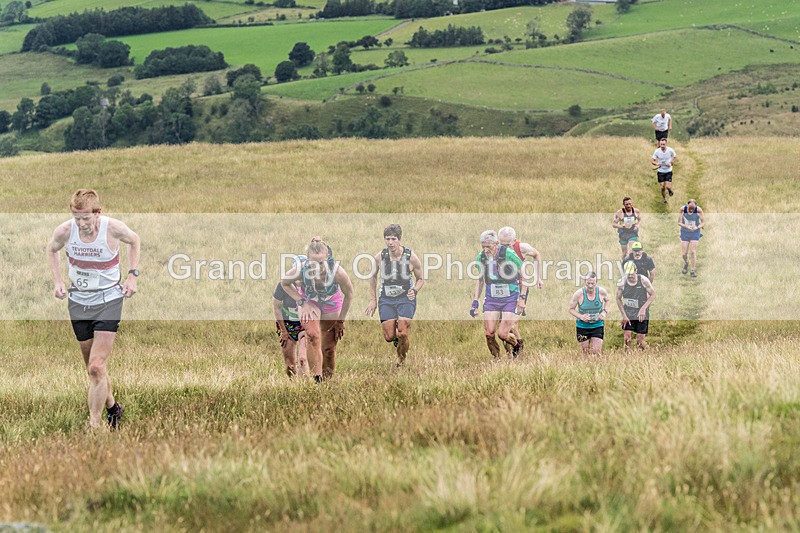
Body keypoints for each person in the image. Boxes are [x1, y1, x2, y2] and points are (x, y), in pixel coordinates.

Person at [46, 189, 140, 431]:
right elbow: (52, 249)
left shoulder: (113, 228)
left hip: (109, 300)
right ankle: (113, 408)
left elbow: (134, 240)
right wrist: (58, 281)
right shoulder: (65, 230)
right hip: (79, 302)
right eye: (77, 218)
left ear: (98, 213)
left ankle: (95, 426)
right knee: (94, 370)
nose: (81, 224)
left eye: (86, 218)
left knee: (96, 366)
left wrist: (132, 275)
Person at [281, 239, 354, 382]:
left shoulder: (337, 272)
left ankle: (327, 382)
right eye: (313, 263)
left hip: (331, 301)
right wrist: (302, 302)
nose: (318, 267)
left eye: (321, 263)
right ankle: (317, 378)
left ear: (328, 259)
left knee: (329, 349)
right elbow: (285, 283)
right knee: (312, 335)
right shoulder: (301, 270)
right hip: (309, 301)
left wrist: (340, 321)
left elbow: (349, 294)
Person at [365, 224, 425, 367]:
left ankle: (401, 362)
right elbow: (372, 277)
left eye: (393, 239)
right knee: (389, 336)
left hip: (406, 298)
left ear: (399, 239)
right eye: (387, 239)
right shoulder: (380, 257)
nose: (390, 242)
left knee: (403, 333)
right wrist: (373, 300)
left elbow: (421, 279)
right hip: (386, 299)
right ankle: (397, 335)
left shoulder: (411, 257)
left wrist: (415, 290)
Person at [470, 230, 525, 360]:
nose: (485, 250)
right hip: (492, 299)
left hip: (510, 297)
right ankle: (497, 361)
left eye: (488, 247)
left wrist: (522, 298)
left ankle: (517, 345)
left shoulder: (509, 254)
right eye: (483, 246)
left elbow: (525, 276)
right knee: (489, 334)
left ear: (497, 243)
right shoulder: (481, 257)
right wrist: (475, 301)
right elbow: (480, 280)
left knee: (503, 334)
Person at [498, 226, 543, 358]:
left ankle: (520, 352)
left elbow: (537, 255)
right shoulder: (495, 250)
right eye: (501, 244)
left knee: (512, 324)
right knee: (503, 326)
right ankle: (510, 355)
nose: (504, 247)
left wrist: (538, 277)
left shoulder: (522, 248)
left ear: (514, 241)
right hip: (503, 291)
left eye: (507, 245)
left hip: (519, 289)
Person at [273, 257, 309, 378]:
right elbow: (276, 307)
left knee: (303, 359)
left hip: (304, 324)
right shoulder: (283, 285)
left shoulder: (310, 286)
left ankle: (304, 386)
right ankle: (294, 385)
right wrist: (284, 331)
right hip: (287, 324)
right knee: (290, 366)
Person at [568, 272, 611, 355]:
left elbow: (608, 300)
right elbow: (570, 309)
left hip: (597, 325)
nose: (590, 286)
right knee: (585, 352)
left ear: (596, 282)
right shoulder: (578, 294)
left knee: (597, 352)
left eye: (593, 283)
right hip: (582, 326)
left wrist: (604, 312)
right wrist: (581, 317)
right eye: (588, 283)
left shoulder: (601, 291)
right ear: (585, 282)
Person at [616, 261, 656, 350]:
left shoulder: (643, 280)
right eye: (628, 274)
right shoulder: (622, 282)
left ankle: (645, 354)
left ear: (636, 270)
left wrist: (643, 309)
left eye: (632, 273)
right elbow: (618, 299)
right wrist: (624, 315)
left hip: (641, 312)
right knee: (627, 339)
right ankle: (628, 356)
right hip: (628, 311)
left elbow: (653, 295)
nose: (630, 276)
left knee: (640, 341)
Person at [678, 199, 705, 277]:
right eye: (689, 208)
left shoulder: (699, 210)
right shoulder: (682, 209)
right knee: (684, 253)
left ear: (695, 207)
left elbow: (703, 222)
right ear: (687, 206)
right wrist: (686, 226)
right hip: (685, 232)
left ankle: (692, 270)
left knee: (693, 252)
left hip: (695, 232)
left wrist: (697, 227)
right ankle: (686, 262)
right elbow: (679, 222)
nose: (691, 210)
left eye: (693, 209)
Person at [652, 138, 677, 203]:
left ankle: (670, 190)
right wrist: (657, 163)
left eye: (664, 144)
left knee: (668, 186)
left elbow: (674, 157)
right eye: (661, 144)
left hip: (668, 171)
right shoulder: (657, 151)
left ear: (666, 144)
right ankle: (664, 199)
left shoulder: (670, 150)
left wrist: (671, 163)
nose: (662, 146)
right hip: (660, 171)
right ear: (659, 144)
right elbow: (652, 161)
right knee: (662, 187)